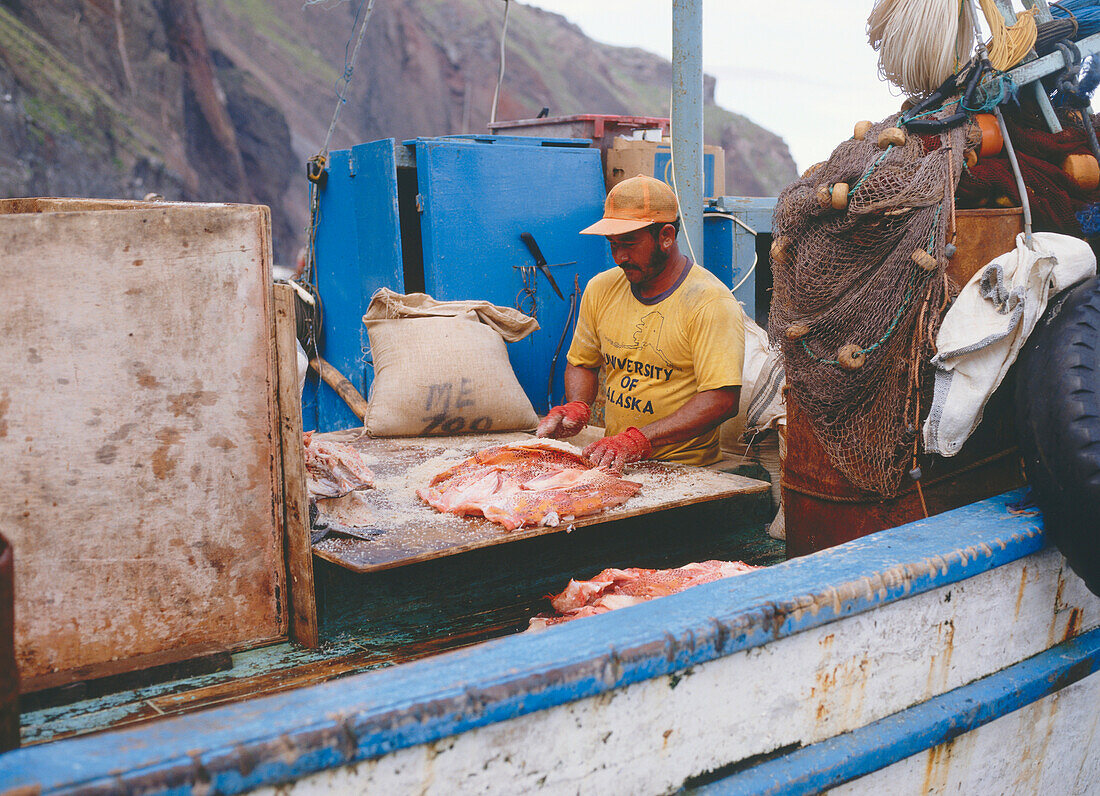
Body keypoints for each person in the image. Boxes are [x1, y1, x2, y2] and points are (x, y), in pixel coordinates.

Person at [537, 174, 744, 470]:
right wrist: (579, 405)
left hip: (684, 469)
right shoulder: (601, 289)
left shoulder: (709, 302)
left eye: (629, 244)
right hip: (614, 459)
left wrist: (637, 440)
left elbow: (722, 400)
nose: (619, 256)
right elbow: (582, 362)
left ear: (666, 237)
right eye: (612, 245)